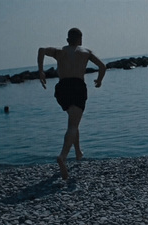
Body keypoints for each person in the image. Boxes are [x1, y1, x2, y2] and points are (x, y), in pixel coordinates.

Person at [37, 28, 106, 180]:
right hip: (77, 87)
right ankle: (63, 156)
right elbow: (102, 66)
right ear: (80, 39)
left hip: (62, 88)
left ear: (68, 40)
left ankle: (78, 153)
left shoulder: (59, 51)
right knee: (73, 125)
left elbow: (41, 50)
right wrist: (99, 80)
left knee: (73, 121)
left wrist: (41, 71)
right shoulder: (86, 51)